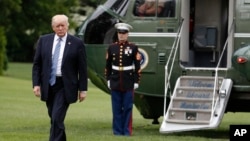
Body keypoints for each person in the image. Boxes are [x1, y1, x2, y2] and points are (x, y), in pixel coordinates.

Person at [32, 14, 88, 141]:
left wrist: (83, 89)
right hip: (48, 85)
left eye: (63, 25)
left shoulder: (77, 43)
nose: (61, 28)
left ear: (67, 26)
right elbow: (37, 64)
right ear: (53, 27)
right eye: (58, 26)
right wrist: (36, 84)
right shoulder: (44, 40)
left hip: (66, 85)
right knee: (54, 118)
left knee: (57, 117)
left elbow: (82, 68)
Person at [105, 22, 141, 136]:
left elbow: (137, 66)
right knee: (116, 109)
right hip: (115, 81)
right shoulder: (112, 47)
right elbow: (108, 65)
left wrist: (136, 81)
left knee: (127, 108)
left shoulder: (133, 47)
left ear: (127, 34)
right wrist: (108, 79)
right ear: (117, 34)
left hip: (128, 81)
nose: (121, 35)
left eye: (124, 33)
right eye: (120, 33)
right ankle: (117, 131)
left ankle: (126, 131)